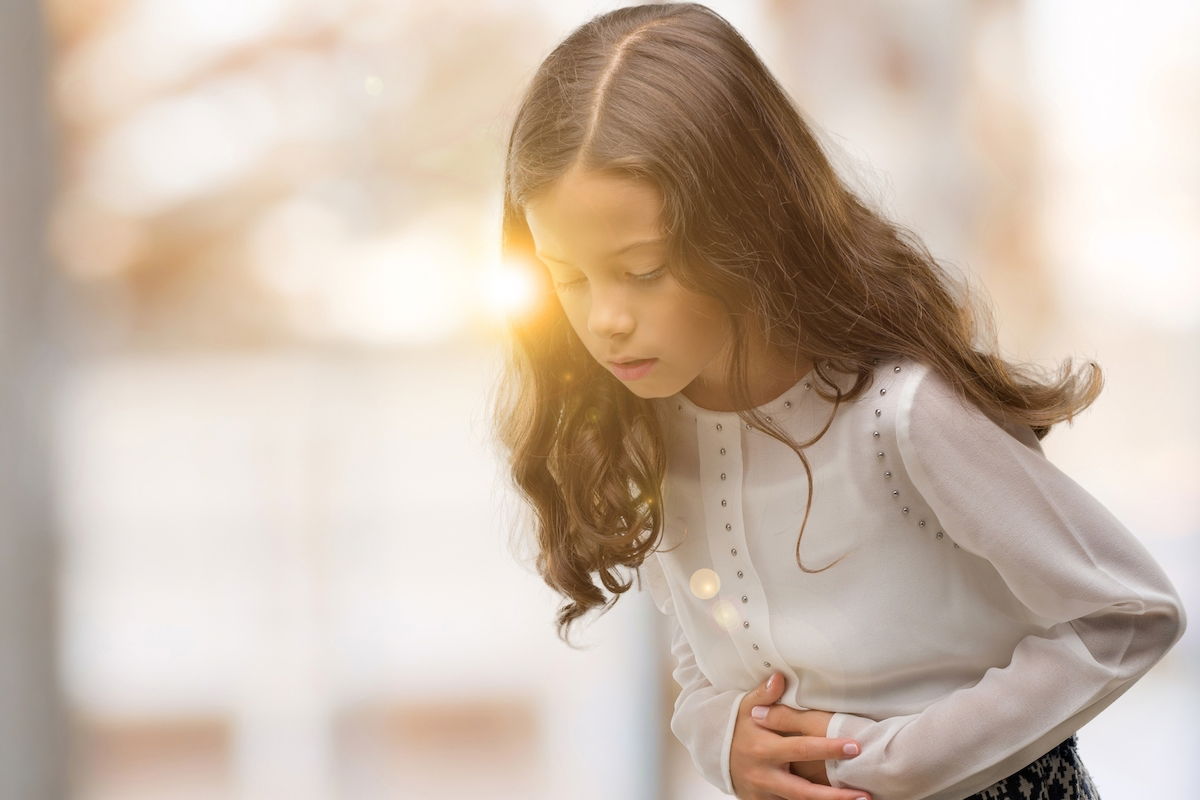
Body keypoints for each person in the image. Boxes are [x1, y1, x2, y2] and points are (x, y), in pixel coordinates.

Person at [488, 4, 1187, 800]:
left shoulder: (902, 414)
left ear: (743, 228)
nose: (605, 320)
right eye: (568, 278)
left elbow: (1130, 614)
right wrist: (725, 745)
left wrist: (893, 760)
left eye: (644, 269)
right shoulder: (648, 425)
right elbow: (705, 651)